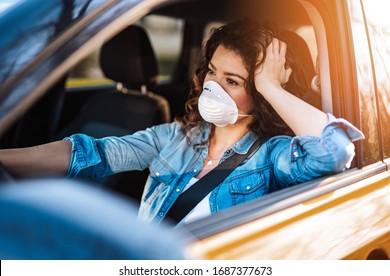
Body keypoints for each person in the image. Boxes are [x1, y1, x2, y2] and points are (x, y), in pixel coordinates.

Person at [0, 19, 364, 225]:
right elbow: (90, 153)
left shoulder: (273, 157)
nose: (213, 87)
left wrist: (269, 83)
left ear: (263, 96)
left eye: (234, 82)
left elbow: (333, 151)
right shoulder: (177, 138)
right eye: (212, 72)